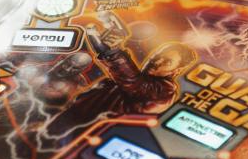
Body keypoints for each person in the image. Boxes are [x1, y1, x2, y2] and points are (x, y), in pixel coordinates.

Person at [44, 32, 196, 139]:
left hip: (82, 141)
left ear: (176, 70)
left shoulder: (164, 91)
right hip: (59, 130)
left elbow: (133, 82)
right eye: (157, 56)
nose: (156, 61)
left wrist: (114, 53)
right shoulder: (119, 80)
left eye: (167, 62)